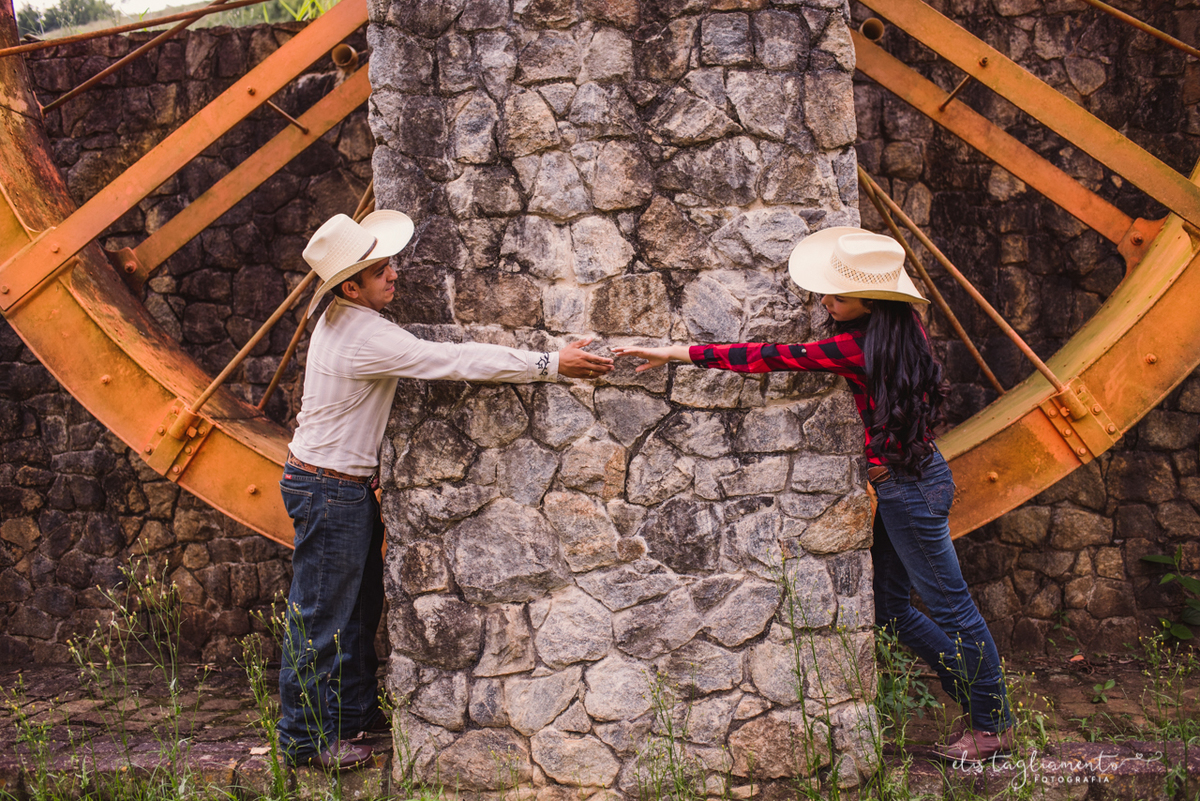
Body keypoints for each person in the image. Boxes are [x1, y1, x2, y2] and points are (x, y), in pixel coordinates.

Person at [611, 227, 1014, 764]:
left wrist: (673, 352)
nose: (825, 303)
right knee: (890, 609)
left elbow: (766, 355)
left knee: (953, 607)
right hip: (914, 481)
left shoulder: (857, 346)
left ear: (872, 302)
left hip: (911, 492)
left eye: (838, 297)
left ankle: (992, 725)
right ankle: (975, 694)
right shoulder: (901, 330)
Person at [279, 210, 614, 770]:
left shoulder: (345, 318)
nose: (394, 274)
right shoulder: (365, 335)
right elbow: (458, 360)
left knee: (356, 609)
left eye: (389, 264)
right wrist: (553, 363)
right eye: (381, 270)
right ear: (350, 287)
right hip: (328, 490)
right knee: (321, 616)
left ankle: (352, 715)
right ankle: (303, 740)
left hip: (335, 487)